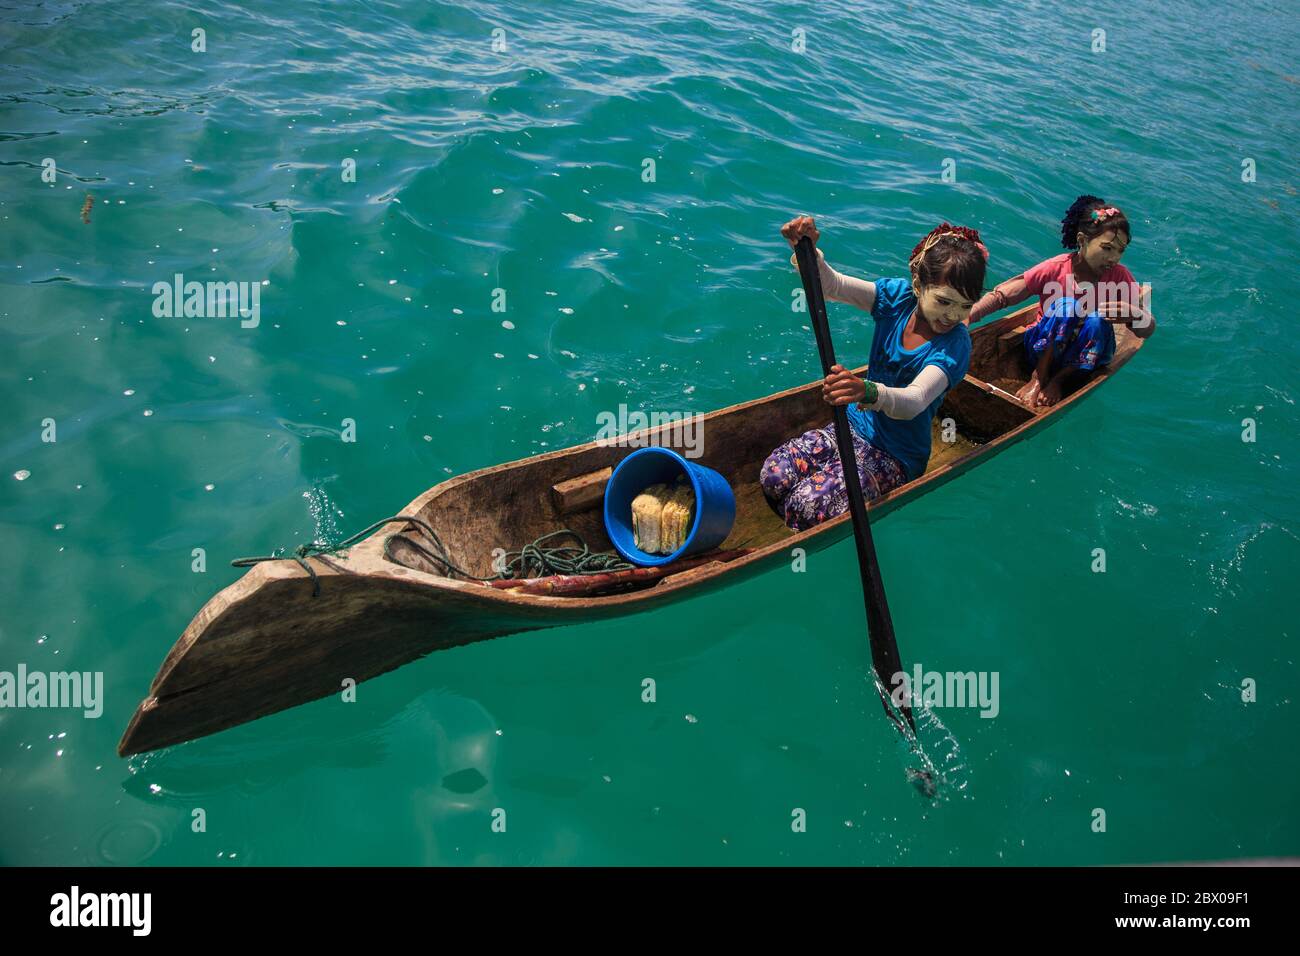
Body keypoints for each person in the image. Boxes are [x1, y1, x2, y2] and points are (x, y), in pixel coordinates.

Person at [760, 216, 984, 531]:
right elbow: (832, 286)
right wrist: (805, 249)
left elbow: (914, 400)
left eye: (964, 306)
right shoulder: (896, 297)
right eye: (944, 301)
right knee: (773, 474)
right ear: (919, 286)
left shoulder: (955, 345)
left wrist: (867, 391)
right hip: (851, 427)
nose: (953, 315)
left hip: (896, 455)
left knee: (805, 505)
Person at [967, 195, 1156, 407]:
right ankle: (1038, 377)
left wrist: (1136, 314)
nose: (1114, 258)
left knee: (1096, 320)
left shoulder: (1121, 277)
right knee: (1067, 308)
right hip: (1042, 351)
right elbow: (1002, 296)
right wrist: (965, 319)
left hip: (1086, 358)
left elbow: (1145, 331)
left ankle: (1058, 380)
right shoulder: (1056, 268)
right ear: (1083, 241)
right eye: (1107, 248)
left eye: (1120, 251)